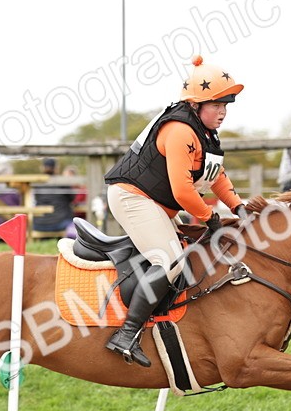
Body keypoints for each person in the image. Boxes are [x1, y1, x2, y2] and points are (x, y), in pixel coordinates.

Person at [102, 55, 246, 367]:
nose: (223, 112)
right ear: (195, 105)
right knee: (170, 260)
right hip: (133, 198)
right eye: (217, 105)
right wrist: (212, 219)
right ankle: (126, 334)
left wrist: (239, 207)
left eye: (226, 105)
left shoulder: (204, 133)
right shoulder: (181, 131)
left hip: (155, 203)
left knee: (192, 250)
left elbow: (215, 176)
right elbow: (183, 191)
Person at [32, 157, 78, 234]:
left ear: (43, 168)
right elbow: (72, 198)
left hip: (39, 224)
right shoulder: (62, 182)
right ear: (56, 168)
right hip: (60, 223)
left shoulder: (37, 184)